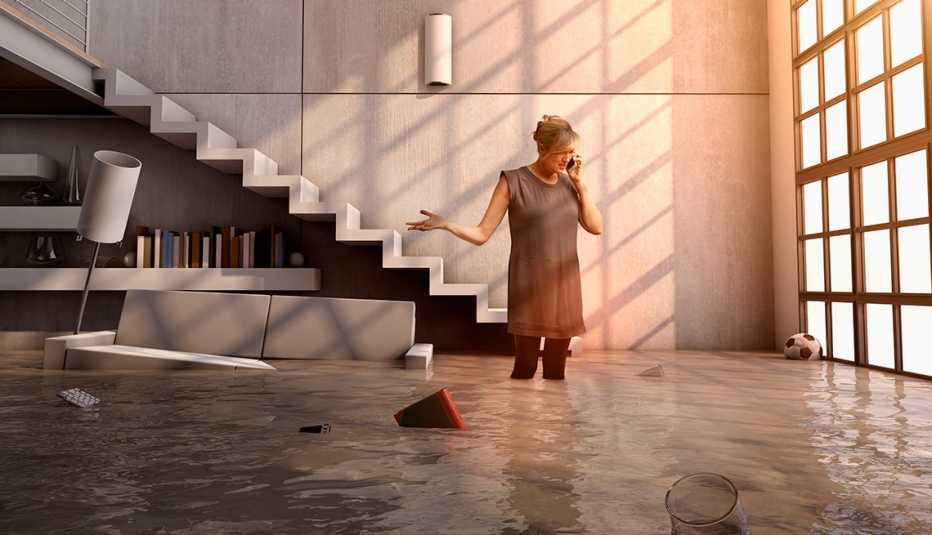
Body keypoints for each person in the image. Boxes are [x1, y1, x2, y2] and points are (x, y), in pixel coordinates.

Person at [406, 115, 603, 380]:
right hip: (528, 288)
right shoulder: (513, 181)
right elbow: (481, 233)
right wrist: (446, 225)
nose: (566, 159)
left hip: (565, 288)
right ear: (542, 149)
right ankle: (518, 421)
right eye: (561, 153)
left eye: (571, 152)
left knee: (556, 372)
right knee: (526, 368)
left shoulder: (570, 183)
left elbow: (595, 226)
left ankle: (556, 422)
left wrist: (581, 186)